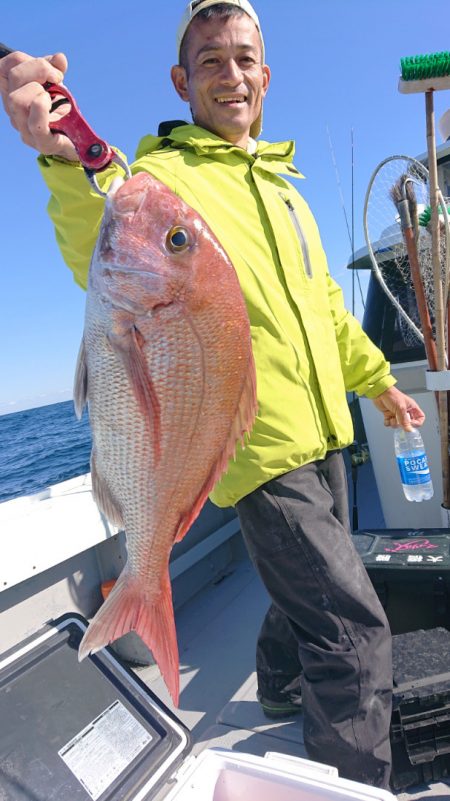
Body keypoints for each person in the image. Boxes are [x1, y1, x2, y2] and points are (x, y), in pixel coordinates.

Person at [0, 0, 426, 789]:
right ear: (180, 80)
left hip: (325, 430)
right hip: (256, 450)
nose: (229, 74)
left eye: (242, 58)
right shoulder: (164, 178)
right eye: (209, 61)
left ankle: (278, 685)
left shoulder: (288, 189)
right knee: (353, 627)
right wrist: (62, 154)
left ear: (265, 74)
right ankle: (352, 778)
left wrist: (376, 385)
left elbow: (328, 309)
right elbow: (104, 213)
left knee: (304, 587)